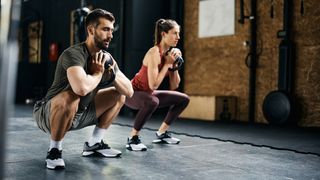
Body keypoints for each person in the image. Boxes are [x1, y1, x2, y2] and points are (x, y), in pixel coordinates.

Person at [33, 9, 133, 170]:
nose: (111, 35)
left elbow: (129, 91)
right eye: (106, 29)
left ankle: (94, 144)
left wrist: (112, 74)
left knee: (118, 94)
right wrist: (99, 73)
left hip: (81, 113)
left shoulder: (107, 58)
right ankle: (54, 150)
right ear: (91, 30)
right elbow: (81, 89)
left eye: (112, 30)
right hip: (48, 113)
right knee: (70, 97)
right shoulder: (73, 54)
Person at [124, 19, 190, 151]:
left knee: (183, 99)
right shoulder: (154, 52)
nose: (178, 37)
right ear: (163, 34)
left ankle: (162, 133)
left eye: (179, 33)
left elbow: (174, 85)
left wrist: (174, 67)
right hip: (131, 93)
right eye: (174, 33)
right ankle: (132, 139)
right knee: (152, 101)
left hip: (147, 94)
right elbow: (153, 85)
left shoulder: (171, 54)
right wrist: (167, 64)